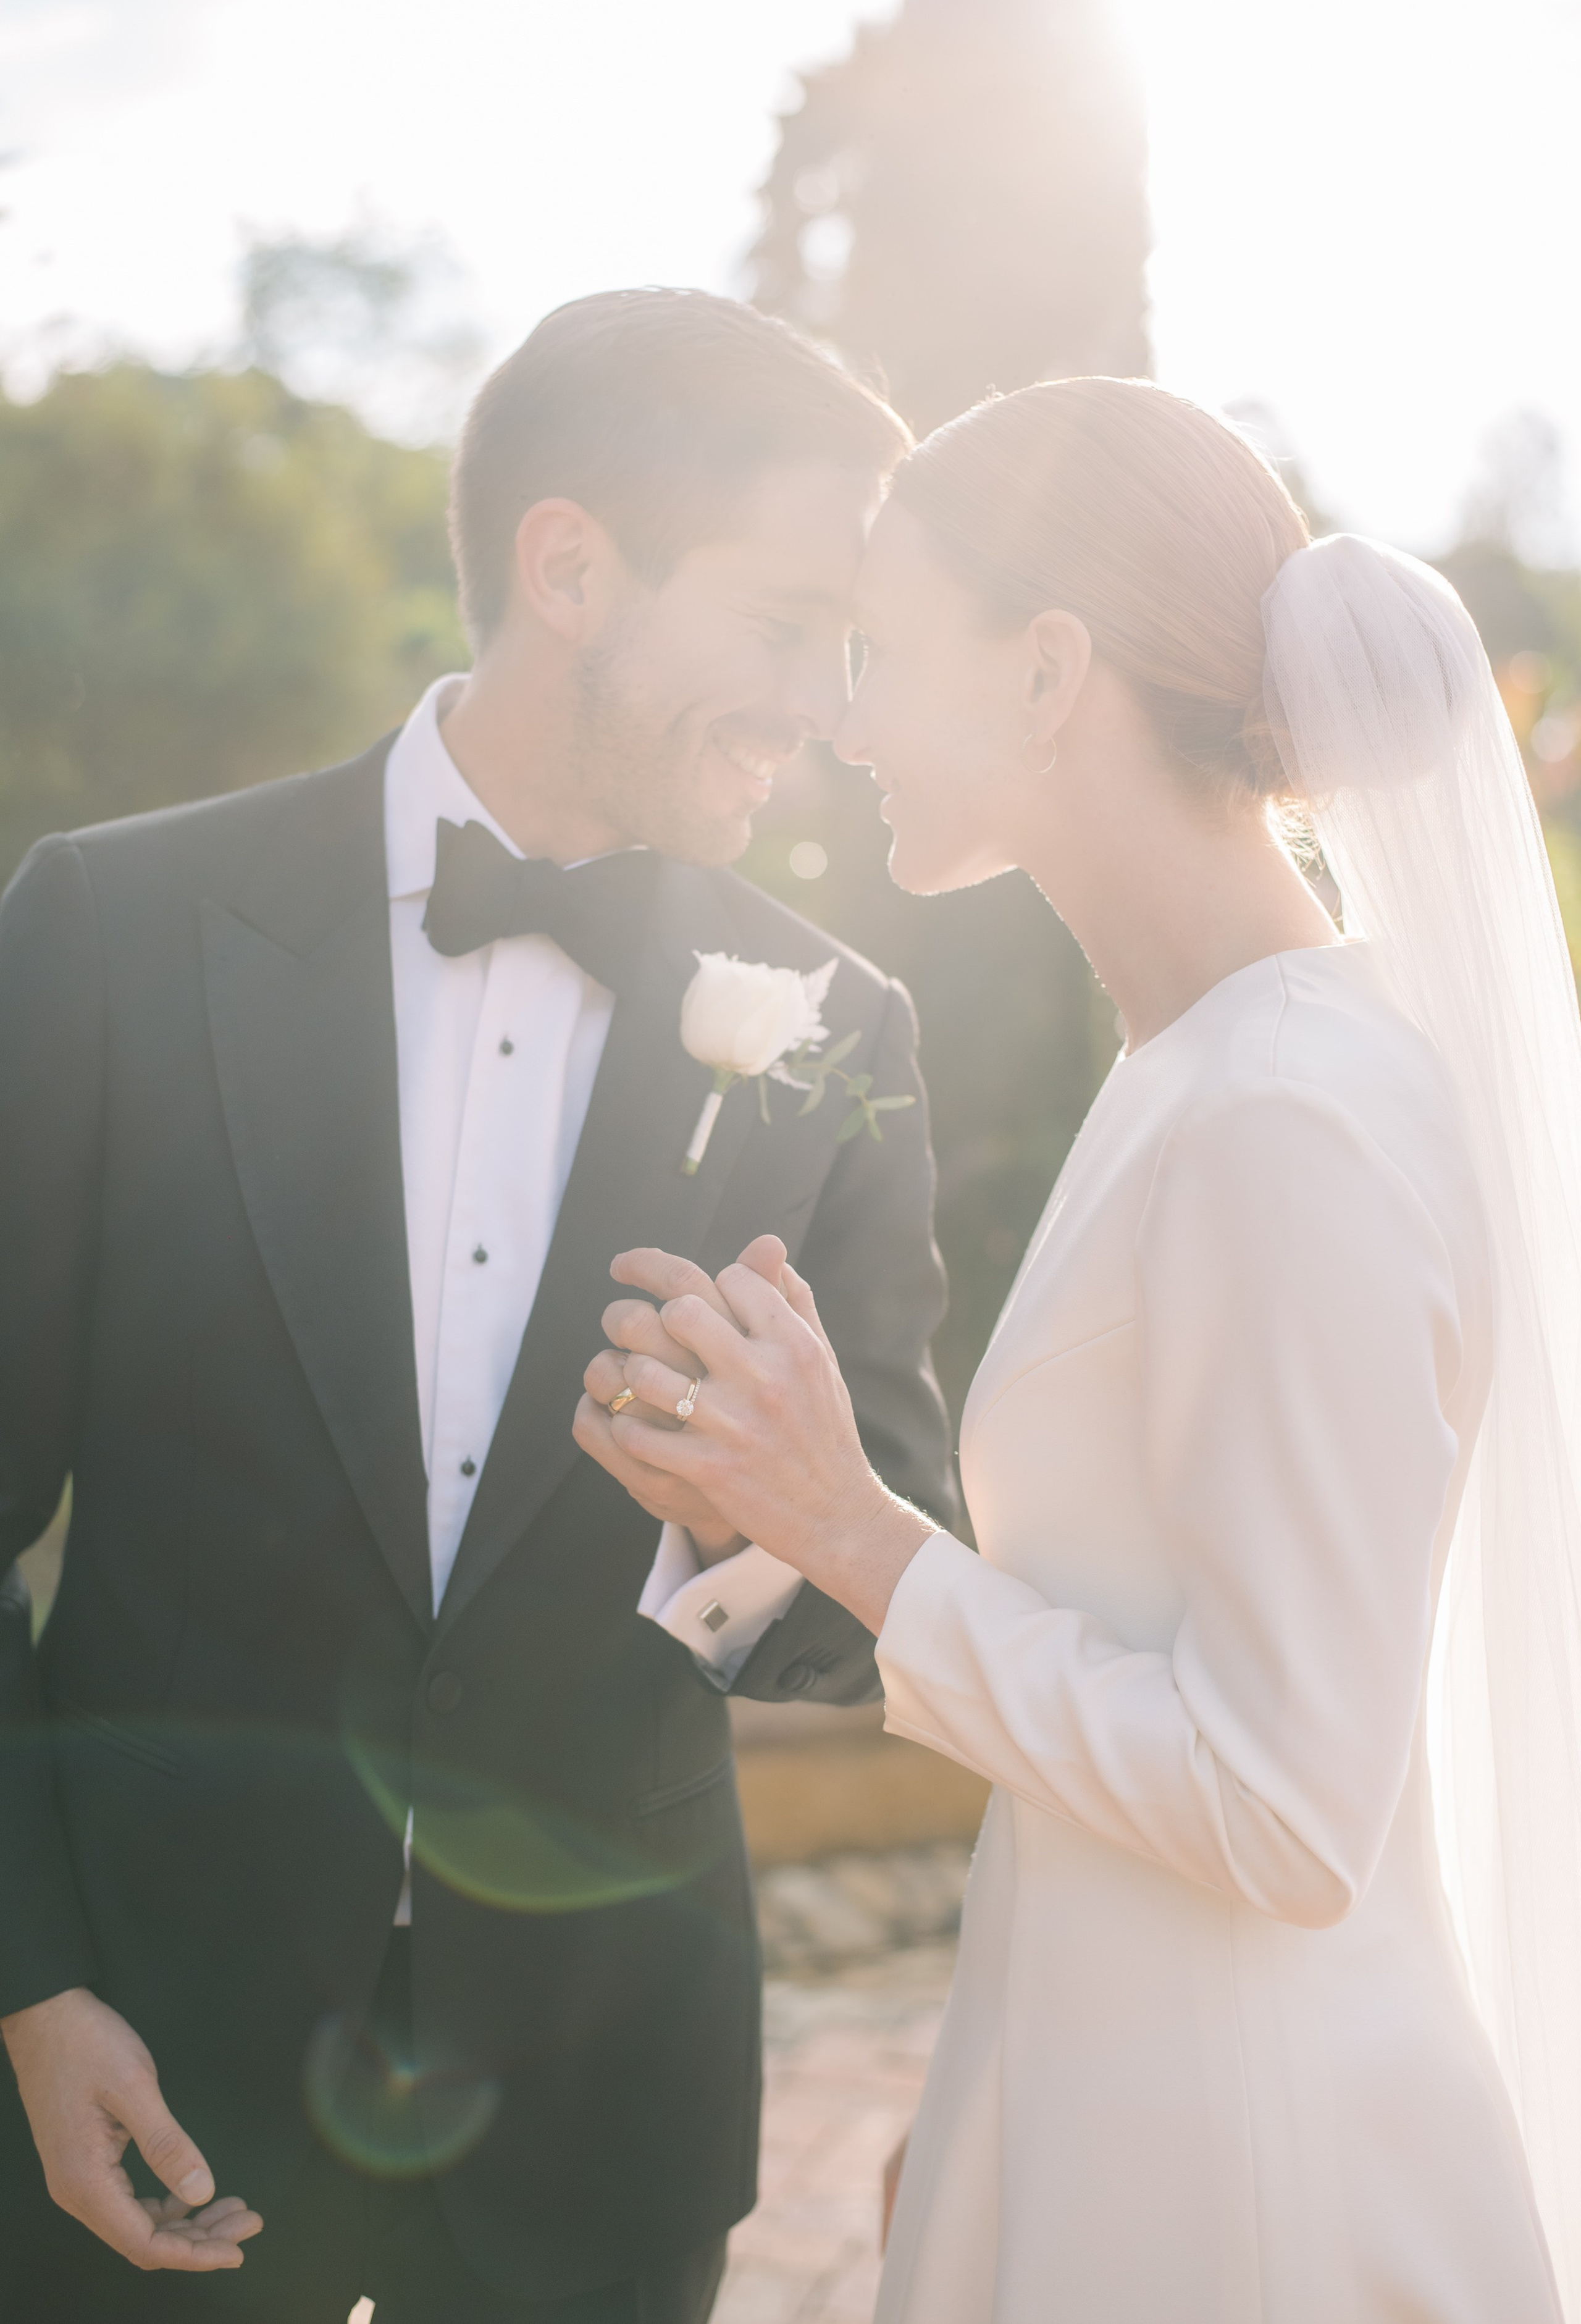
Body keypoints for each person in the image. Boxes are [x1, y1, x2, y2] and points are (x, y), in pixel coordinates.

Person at [579, 377, 1581, 2320]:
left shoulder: (1287, 1112)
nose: (843, 721)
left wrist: (858, 1529)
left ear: (1047, 670)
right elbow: (1131, 1651)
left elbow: (1284, 1806)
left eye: (882, 650)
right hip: (1122, 2105)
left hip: (1252, 2199)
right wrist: (994, 2084)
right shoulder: (1199, 1062)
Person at [0, 288, 957, 2323]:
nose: (825, 704)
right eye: (786, 624)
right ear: (572, 568)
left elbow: (879, 1580)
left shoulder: (838, 1030)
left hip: (602, 2117)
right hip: (139, 2068)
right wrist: (31, 1981)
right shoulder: (108, 929)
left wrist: (739, 1520)